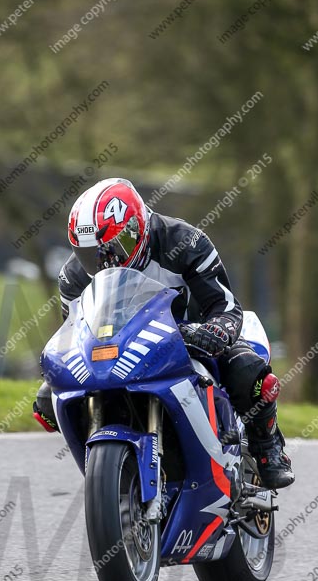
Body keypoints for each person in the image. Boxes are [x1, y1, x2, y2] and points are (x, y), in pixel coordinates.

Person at [33, 178, 294, 490]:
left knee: (248, 371)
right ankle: (113, 473)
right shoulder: (74, 276)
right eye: (91, 254)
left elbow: (224, 305)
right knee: (49, 400)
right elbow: (74, 330)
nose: (106, 261)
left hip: (192, 339)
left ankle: (267, 447)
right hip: (123, 350)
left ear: (137, 229)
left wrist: (215, 331)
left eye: (114, 248)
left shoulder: (184, 242)